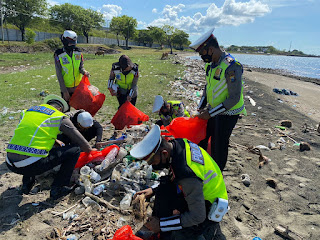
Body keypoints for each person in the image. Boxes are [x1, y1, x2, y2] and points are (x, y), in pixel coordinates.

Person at [130, 125, 228, 240]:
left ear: (164, 153)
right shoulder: (179, 144)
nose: (151, 165)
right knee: (163, 189)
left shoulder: (187, 174)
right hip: (200, 191)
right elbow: (175, 174)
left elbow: (198, 216)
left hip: (209, 208)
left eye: (152, 161)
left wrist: (161, 225)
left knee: (180, 233)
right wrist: (153, 190)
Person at [5, 95, 95, 200]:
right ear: (60, 109)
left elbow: (31, 133)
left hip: (10, 162)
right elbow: (83, 144)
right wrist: (92, 150)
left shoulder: (28, 112)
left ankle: (26, 185)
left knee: (31, 150)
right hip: (30, 166)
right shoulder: (58, 116)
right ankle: (58, 188)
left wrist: (55, 141)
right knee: (75, 150)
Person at [189, 28, 246, 171]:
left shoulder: (232, 66)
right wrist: (200, 107)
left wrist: (209, 113)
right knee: (202, 139)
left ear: (212, 49)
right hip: (214, 109)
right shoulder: (210, 65)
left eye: (203, 53)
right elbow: (207, 87)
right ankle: (204, 167)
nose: (202, 57)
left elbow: (234, 98)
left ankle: (217, 173)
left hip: (229, 113)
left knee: (219, 144)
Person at [54, 30, 90, 106]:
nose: (72, 45)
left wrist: (84, 72)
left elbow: (81, 67)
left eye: (73, 43)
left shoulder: (78, 52)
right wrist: (64, 91)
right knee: (66, 111)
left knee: (81, 110)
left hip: (78, 88)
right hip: (67, 88)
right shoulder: (59, 54)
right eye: (70, 43)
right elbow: (59, 74)